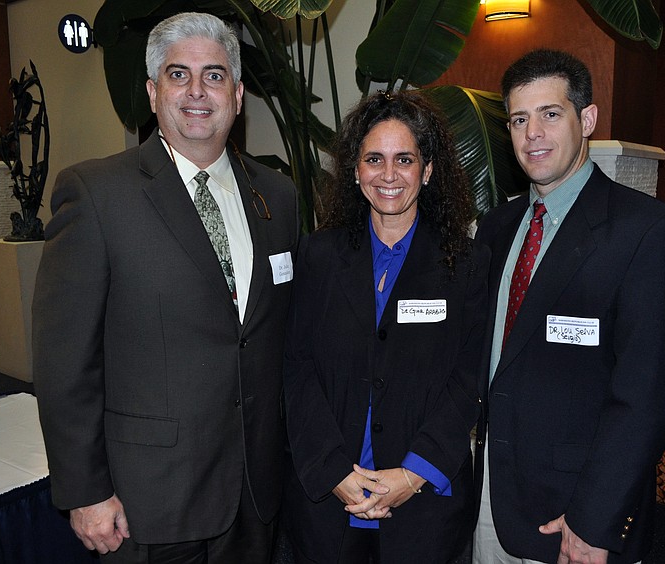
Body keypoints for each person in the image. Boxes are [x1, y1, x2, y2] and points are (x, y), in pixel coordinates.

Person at [32, 12, 298, 563]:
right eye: (179, 75)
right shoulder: (96, 193)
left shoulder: (279, 196)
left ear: (239, 93)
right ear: (153, 93)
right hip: (147, 502)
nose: (198, 91)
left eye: (215, 75)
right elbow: (64, 362)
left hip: (255, 491)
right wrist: (85, 491)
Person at [472, 49, 665, 564]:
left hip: (576, 515)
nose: (533, 133)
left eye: (551, 114)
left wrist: (595, 519)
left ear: (587, 119)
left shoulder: (648, 233)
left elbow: (648, 399)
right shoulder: (498, 228)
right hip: (492, 496)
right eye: (519, 119)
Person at [283, 90, 489, 563]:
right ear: (355, 170)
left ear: (428, 170)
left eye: (405, 159)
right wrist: (335, 471)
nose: (389, 175)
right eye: (374, 159)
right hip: (328, 505)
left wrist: (413, 474)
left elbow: (468, 381)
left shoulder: (468, 264)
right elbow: (296, 370)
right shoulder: (318, 256)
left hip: (423, 510)